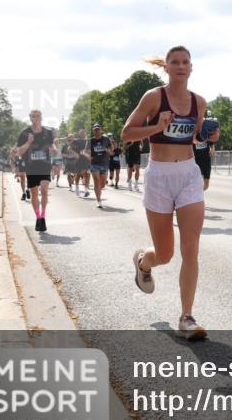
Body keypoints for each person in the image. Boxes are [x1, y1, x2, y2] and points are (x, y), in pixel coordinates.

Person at [122, 46, 216, 340]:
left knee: (191, 248)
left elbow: (197, 137)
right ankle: (143, 263)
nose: (180, 66)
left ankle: (186, 317)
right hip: (159, 176)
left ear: (191, 67)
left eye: (185, 62)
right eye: (175, 62)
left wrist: (208, 137)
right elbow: (126, 133)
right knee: (165, 254)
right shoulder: (153, 97)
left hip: (188, 175)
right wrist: (156, 127)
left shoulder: (199, 102)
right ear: (166, 67)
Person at [14, 110, 56, 231]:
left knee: (44, 190)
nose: (36, 118)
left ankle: (43, 217)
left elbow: (52, 146)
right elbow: (19, 152)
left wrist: (54, 149)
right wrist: (28, 142)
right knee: (33, 193)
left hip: (45, 166)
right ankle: (37, 217)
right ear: (30, 118)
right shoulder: (24, 133)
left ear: (41, 117)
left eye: (38, 116)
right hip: (31, 167)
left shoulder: (48, 132)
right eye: (33, 116)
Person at [87, 124, 113, 208]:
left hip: (104, 163)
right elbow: (86, 151)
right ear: (93, 131)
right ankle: (99, 201)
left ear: (101, 130)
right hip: (94, 164)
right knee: (96, 182)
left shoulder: (106, 139)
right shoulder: (91, 141)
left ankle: (99, 191)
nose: (96, 131)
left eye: (98, 130)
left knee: (102, 185)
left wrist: (108, 151)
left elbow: (111, 149)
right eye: (95, 130)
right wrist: (89, 156)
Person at [192, 114, 219, 191]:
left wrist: (212, 149)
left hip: (206, 159)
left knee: (206, 185)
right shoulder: (193, 132)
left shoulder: (206, 132)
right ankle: (197, 197)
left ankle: (198, 194)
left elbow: (212, 144)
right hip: (195, 159)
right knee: (197, 181)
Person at [71, 129, 90, 197]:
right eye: (81, 133)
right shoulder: (76, 141)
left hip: (86, 160)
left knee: (87, 174)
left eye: (84, 133)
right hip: (78, 160)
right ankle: (76, 187)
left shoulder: (87, 141)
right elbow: (69, 149)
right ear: (79, 134)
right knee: (78, 175)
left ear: (85, 134)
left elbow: (90, 150)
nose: (83, 134)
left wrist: (89, 156)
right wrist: (75, 154)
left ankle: (86, 190)